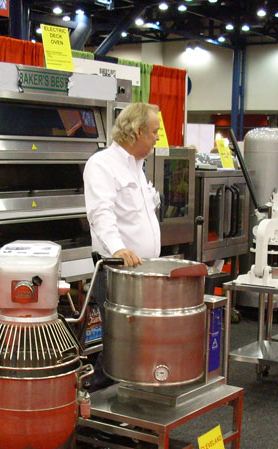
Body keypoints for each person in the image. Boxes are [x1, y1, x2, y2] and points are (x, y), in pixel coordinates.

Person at [83, 102, 162, 391]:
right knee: (119, 344)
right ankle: (96, 402)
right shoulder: (102, 164)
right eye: (153, 131)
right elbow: (100, 213)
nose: (157, 137)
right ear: (137, 131)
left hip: (144, 270)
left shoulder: (138, 167)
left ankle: (130, 397)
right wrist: (118, 249)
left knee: (138, 342)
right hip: (117, 271)